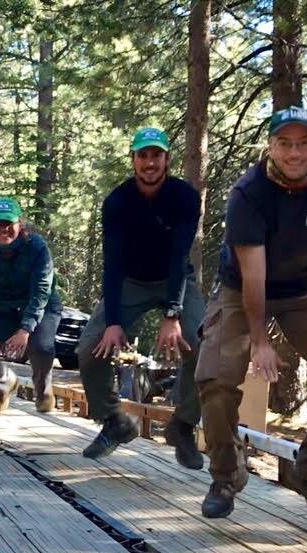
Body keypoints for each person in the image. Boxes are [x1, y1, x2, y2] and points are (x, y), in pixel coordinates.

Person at [197, 106, 307, 519]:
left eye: (304, 143)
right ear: (271, 147)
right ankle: (226, 474)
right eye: (285, 144)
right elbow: (254, 276)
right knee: (215, 378)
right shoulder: (248, 192)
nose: (295, 153)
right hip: (243, 288)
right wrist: (259, 342)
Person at [76, 127, 205, 469]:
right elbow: (113, 263)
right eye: (143, 155)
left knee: (203, 342)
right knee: (91, 348)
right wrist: (114, 321)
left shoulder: (185, 197)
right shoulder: (117, 202)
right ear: (133, 160)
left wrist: (173, 313)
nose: (150, 162)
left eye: (156, 155)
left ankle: (184, 425)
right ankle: (114, 421)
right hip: (130, 281)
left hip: (174, 280)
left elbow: (180, 255)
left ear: (166, 159)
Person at [0, 197, 62, 415]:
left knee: (42, 347)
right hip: (3, 307)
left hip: (41, 306)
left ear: (20, 224)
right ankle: (3, 383)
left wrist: (26, 329)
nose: (3, 229)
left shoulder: (37, 247)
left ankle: (43, 387)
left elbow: (41, 291)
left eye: (9, 224)